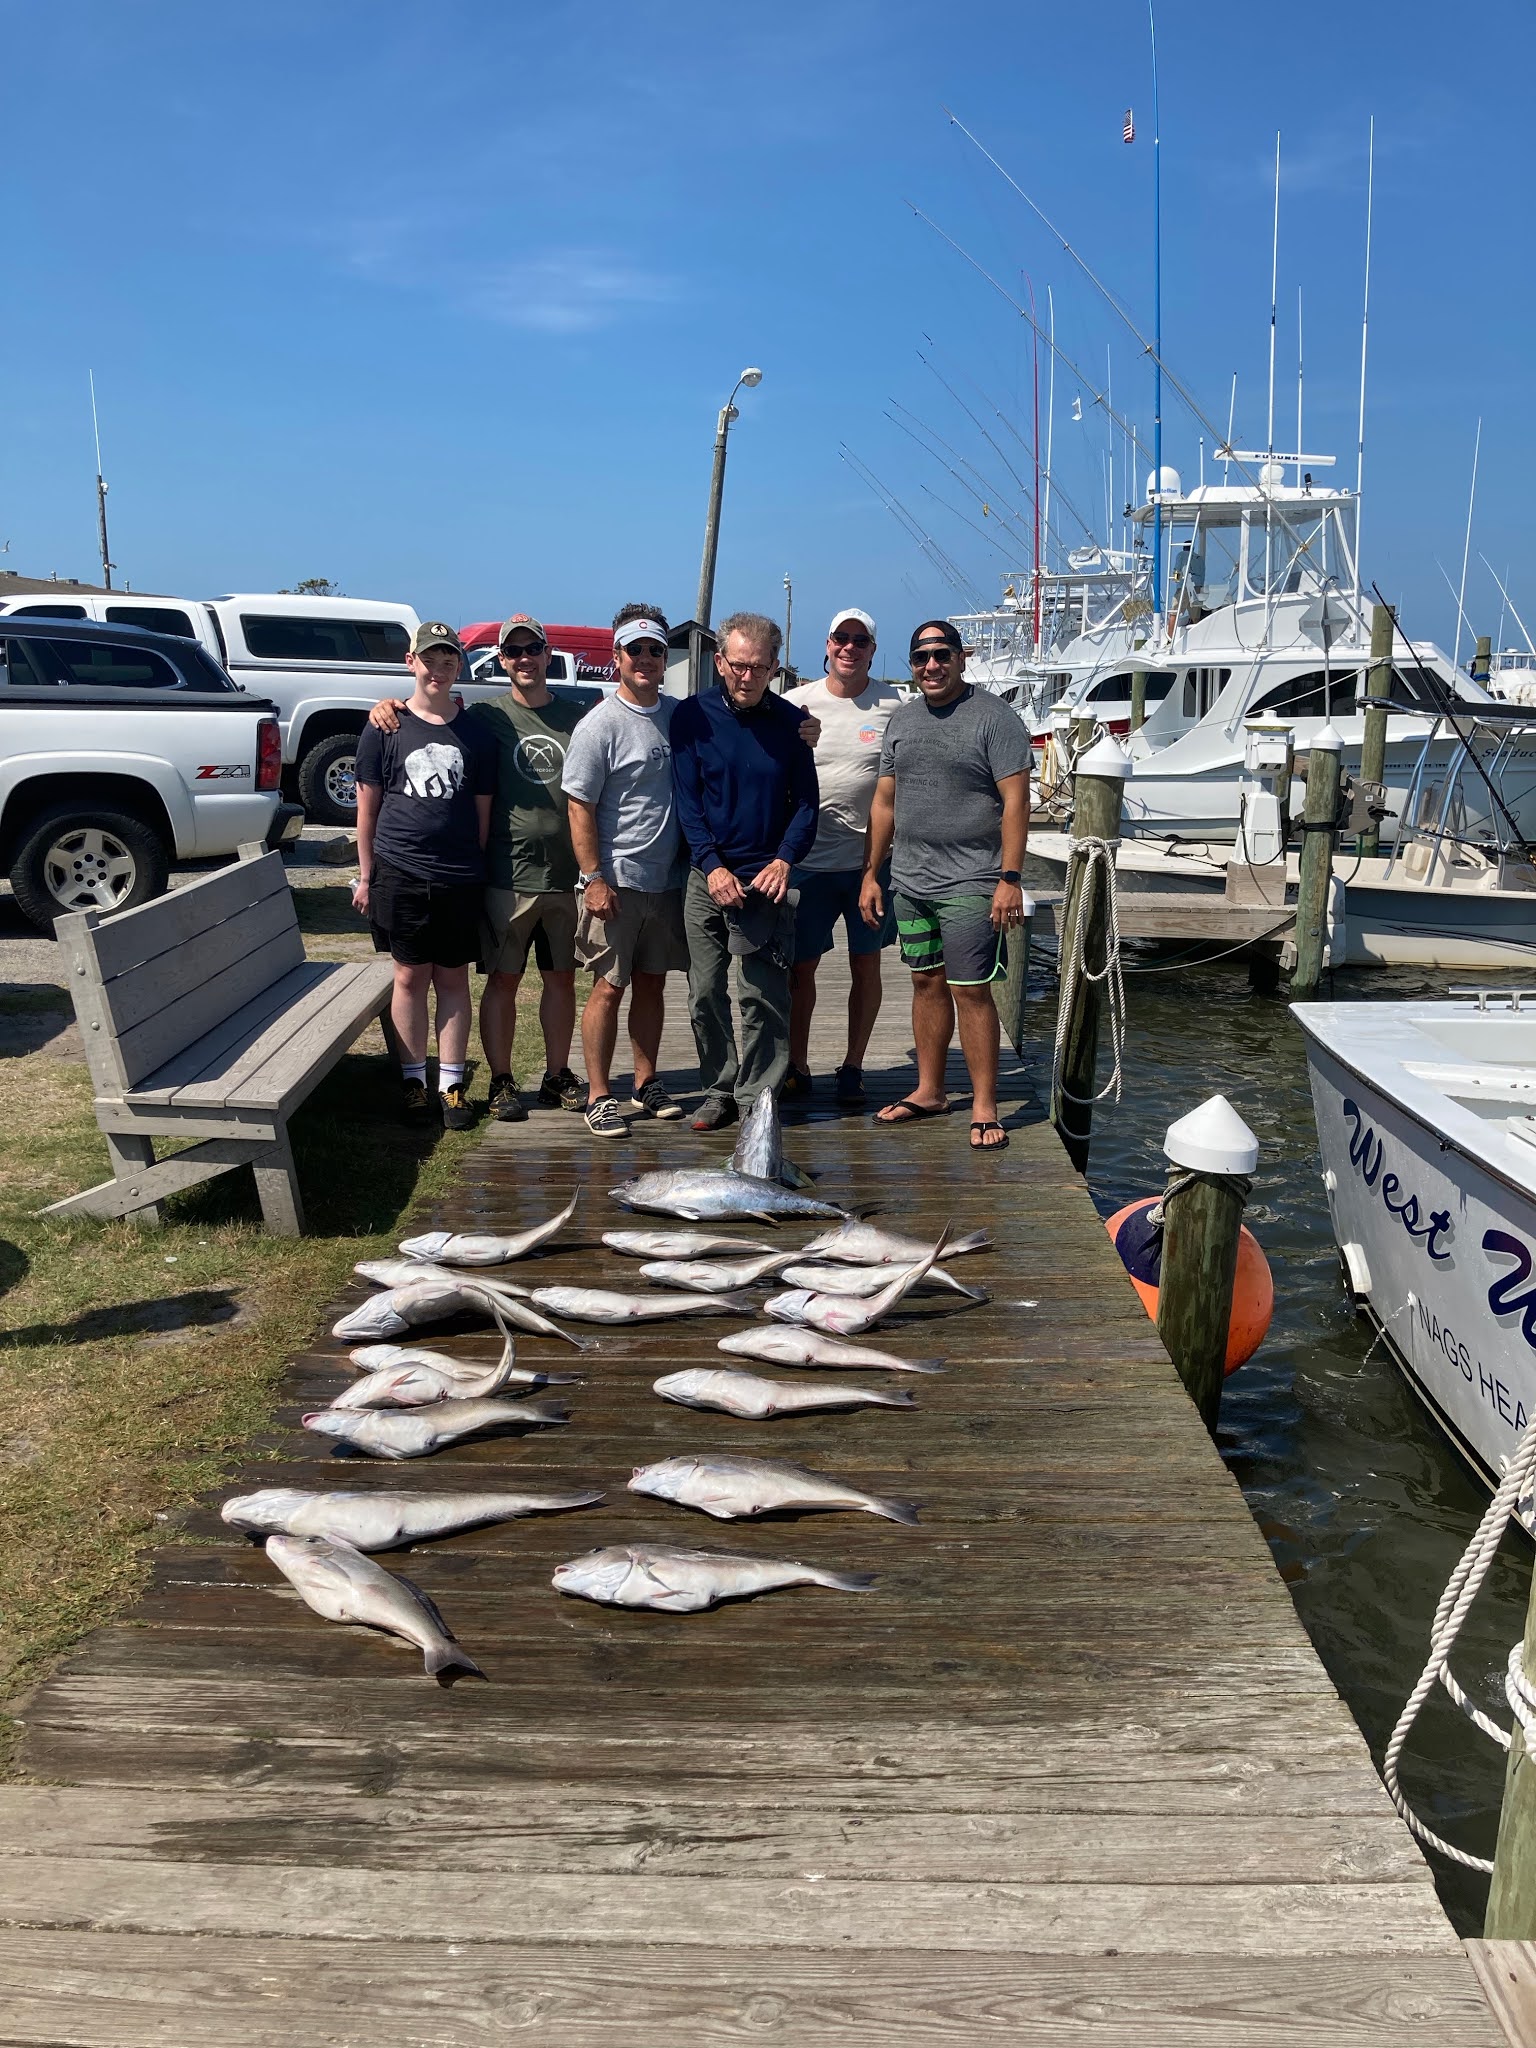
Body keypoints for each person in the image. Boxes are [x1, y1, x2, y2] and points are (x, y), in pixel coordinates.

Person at [368, 612, 586, 1123]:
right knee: (501, 981)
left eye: (534, 648)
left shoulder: (580, 715)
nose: (526, 657)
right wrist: (385, 706)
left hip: (566, 875)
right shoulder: (487, 717)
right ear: (502, 661)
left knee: (561, 981)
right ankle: (502, 1080)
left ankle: (556, 1075)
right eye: (515, 651)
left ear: (548, 654)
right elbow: (428, 712)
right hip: (505, 873)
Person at [860, 618, 1031, 1151]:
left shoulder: (995, 719)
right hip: (910, 881)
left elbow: (1016, 801)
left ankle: (984, 1105)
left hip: (973, 881)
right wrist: (872, 872)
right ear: (911, 664)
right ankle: (930, 1090)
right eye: (920, 657)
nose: (931, 665)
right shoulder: (903, 721)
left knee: (970, 990)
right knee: (925, 983)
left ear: (961, 657)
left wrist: (1010, 878)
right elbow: (885, 800)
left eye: (941, 655)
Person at [671, 611, 819, 1131]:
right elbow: (687, 802)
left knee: (762, 995)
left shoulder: (791, 724)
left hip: (766, 881)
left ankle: (759, 1096)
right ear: (719, 662)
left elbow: (806, 804)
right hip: (707, 876)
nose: (746, 677)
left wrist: (784, 860)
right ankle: (718, 1088)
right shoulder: (691, 716)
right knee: (704, 990)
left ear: (775, 667)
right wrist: (711, 866)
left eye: (758, 667)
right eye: (737, 666)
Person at [354, 620, 495, 1129]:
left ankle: (452, 1084)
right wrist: (367, 876)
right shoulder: (385, 725)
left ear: (459, 665)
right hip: (400, 870)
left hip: (459, 876)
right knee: (410, 975)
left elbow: (481, 811)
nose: (439, 669)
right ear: (410, 662)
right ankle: (414, 1079)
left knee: (454, 978)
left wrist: (471, 867)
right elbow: (367, 808)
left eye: (448, 660)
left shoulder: (475, 730)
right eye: (429, 659)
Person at [561, 604, 689, 1138]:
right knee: (608, 988)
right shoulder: (600, 724)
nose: (645, 658)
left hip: (670, 879)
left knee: (653, 986)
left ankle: (647, 1081)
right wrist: (593, 878)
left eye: (655, 650)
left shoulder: (681, 714)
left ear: (665, 659)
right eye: (634, 649)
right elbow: (579, 805)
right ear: (617, 658)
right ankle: (599, 1094)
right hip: (616, 882)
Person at [782, 607, 902, 1106]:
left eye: (860, 640)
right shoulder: (794, 703)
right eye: (840, 639)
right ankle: (796, 1064)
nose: (849, 647)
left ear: (873, 650)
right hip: (807, 861)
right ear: (827, 646)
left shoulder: (895, 706)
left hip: (868, 866)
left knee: (865, 965)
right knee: (801, 967)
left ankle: (853, 1065)